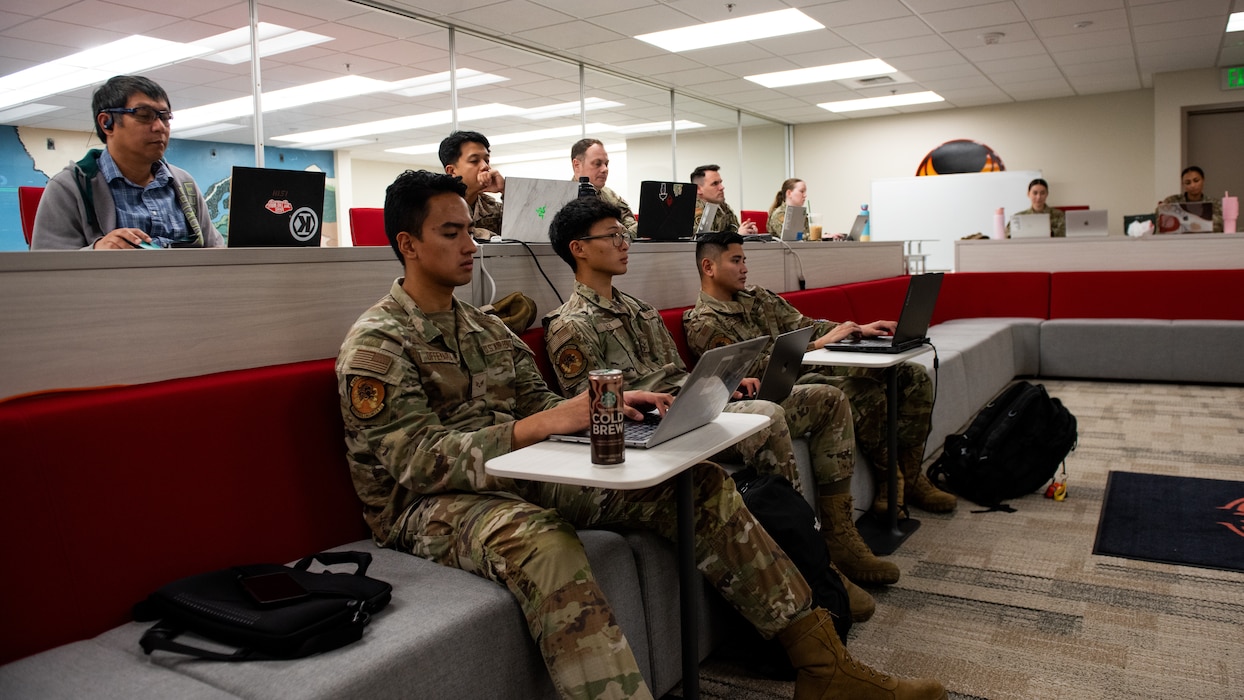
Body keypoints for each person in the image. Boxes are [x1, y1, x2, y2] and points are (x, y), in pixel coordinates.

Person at [337, 169, 947, 700]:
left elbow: (543, 404)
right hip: (427, 504)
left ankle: (823, 668)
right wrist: (547, 423)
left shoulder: (484, 328)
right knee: (542, 541)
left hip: (524, 464)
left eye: (472, 229)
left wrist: (605, 408)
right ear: (407, 244)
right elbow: (413, 463)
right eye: (453, 233)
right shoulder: (379, 342)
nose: (472, 244)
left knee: (702, 485)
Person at [542, 197, 902, 588]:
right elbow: (591, 411)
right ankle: (806, 560)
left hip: (692, 406)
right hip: (655, 425)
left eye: (623, 234)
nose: (624, 243)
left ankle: (837, 535)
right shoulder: (569, 326)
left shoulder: (641, 309)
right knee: (768, 416)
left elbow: (677, 374)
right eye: (612, 236)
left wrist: (719, 384)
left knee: (827, 398)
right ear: (578, 249)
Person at [683, 232, 957, 520]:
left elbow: (805, 325)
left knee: (911, 376)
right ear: (709, 267)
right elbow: (746, 373)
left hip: (814, 366)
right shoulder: (703, 322)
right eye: (736, 261)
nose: (745, 268)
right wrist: (816, 346)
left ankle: (911, 479)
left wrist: (855, 328)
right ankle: (891, 483)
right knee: (864, 392)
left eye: (744, 260)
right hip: (784, 388)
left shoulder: (759, 297)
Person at [31, 75, 222, 250]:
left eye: (165, 117)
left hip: (188, 286)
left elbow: (216, 250)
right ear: (107, 123)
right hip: (113, 287)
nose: (159, 127)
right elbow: (45, 269)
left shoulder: (183, 183)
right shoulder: (69, 186)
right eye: (144, 115)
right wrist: (95, 251)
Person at [438, 130, 505, 240]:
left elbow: (528, 231)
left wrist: (505, 191)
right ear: (451, 171)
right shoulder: (436, 207)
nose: (485, 167)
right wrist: (486, 235)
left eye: (487, 160)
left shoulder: (491, 207)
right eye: (474, 161)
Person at [570, 138, 637, 234]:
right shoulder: (561, 197)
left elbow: (634, 227)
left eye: (606, 164)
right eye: (597, 164)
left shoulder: (611, 196)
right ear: (577, 165)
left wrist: (618, 237)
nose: (605, 169)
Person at [690, 164, 759, 235]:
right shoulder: (692, 210)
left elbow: (734, 229)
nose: (721, 187)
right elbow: (703, 242)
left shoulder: (722, 206)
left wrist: (748, 232)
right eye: (715, 184)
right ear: (698, 189)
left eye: (720, 182)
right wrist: (738, 235)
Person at [1156, 166, 1224, 232]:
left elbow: (1218, 226)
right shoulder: (1171, 201)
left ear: (1203, 180)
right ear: (1183, 185)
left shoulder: (1214, 203)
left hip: (1207, 241)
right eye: (1188, 183)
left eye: (1196, 181)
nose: (1192, 185)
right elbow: (1161, 225)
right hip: (1178, 241)